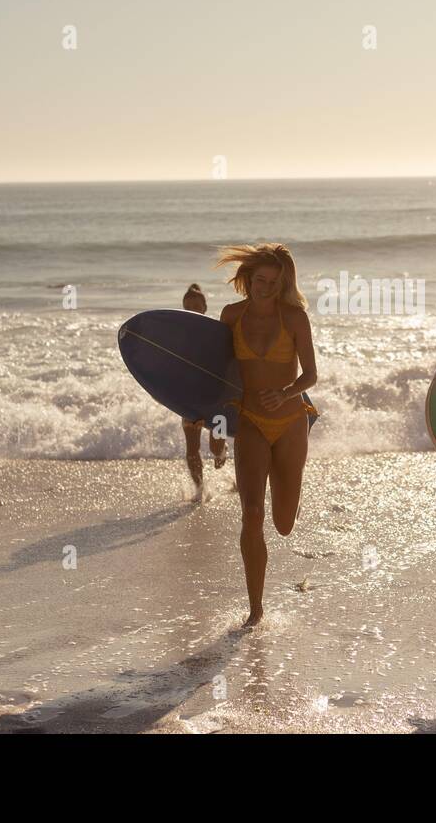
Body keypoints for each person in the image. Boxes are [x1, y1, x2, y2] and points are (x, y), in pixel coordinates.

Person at [216, 244, 318, 626]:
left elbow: (310, 375)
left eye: (274, 283)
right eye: (260, 280)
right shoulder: (230, 316)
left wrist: (287, 392)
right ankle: (256, 608)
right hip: (250, 422)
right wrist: (213, 423)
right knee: (252, 514)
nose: (265, 288)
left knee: (284, 523)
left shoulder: (294, 318)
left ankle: (284, 475)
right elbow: (218, 375)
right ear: (247, 279)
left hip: (291, 423)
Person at [179, 283, 228, 500]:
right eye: (188, 307)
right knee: (192, 448)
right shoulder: (178, 336)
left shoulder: (215, 332)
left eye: (196, 307)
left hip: (215, 397)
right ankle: (199, 490)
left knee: (216, 448)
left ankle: (223, 450)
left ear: (205, 307)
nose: (192, 310)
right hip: (189, 396)